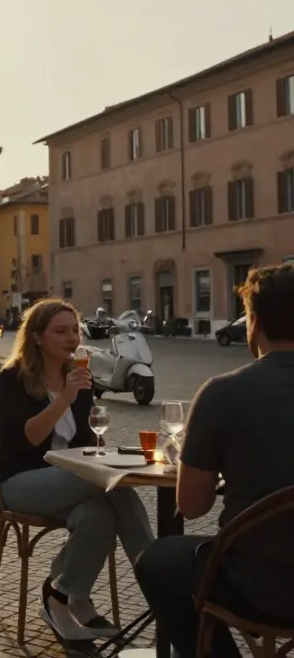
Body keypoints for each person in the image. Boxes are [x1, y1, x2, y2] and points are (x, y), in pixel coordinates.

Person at [135, 264, 294, 658]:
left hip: (258, 585)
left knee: (156, 561)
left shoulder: (223, 394)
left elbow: (191, 505)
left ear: (253, 322)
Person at [0, 299, 152, 643]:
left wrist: (98, 443)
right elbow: (30, 439)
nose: (72, 338)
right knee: (116, 485)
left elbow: (85, 441)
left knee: (98, 515)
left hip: (74, 481)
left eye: (75, 330)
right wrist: (64, 396)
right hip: (19, 481)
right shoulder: (12, 379)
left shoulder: (78, 376)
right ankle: (159, 582)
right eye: (60, 331)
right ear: (36, 338)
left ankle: (62, 597)